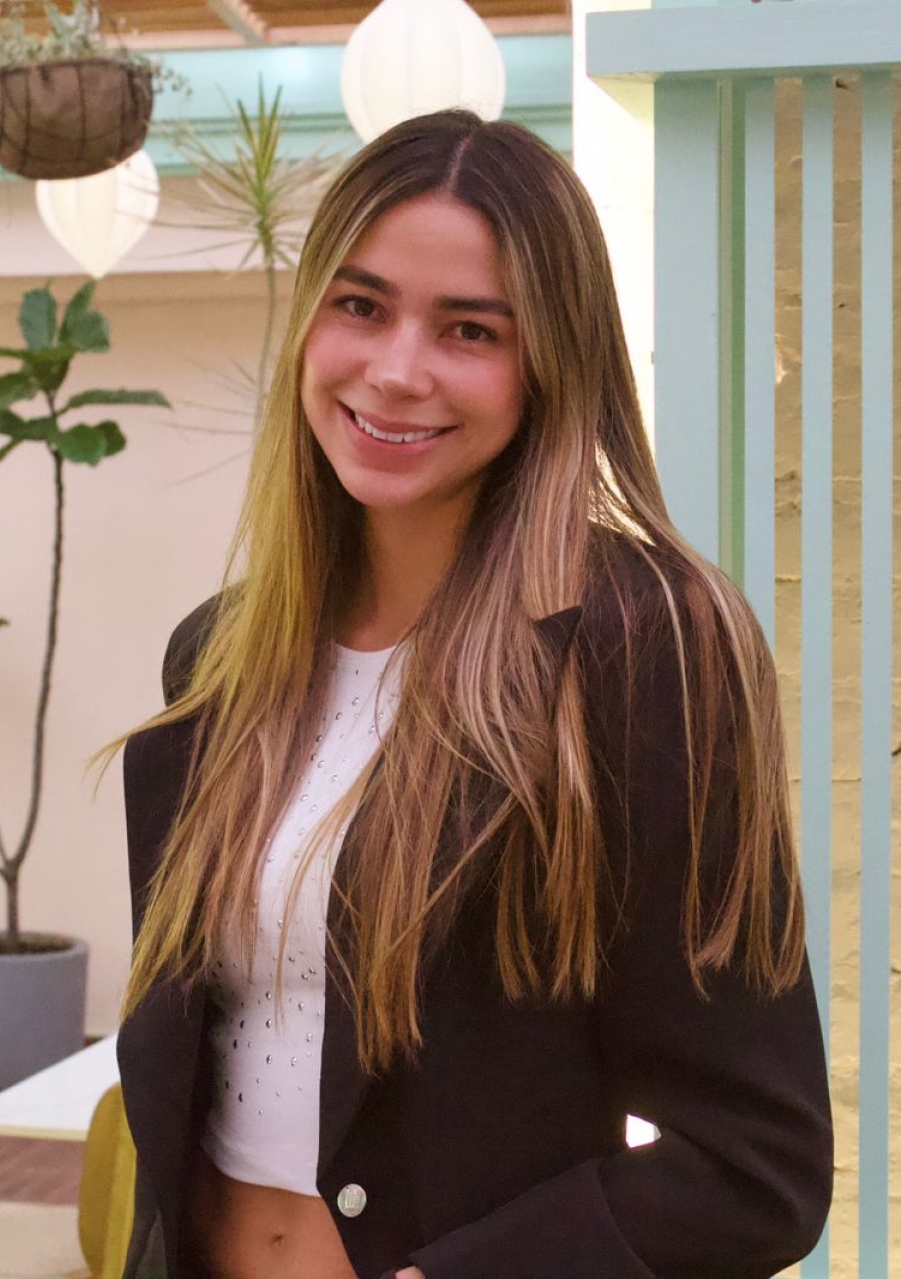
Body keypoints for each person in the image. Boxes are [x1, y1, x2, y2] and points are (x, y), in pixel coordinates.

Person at [109, 109, 832, 1279]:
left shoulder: (642, 647)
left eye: (470, 329)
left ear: (552, 361)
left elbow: (758, 1165)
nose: (399, 370)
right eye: (361, 306)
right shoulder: (220, 660)